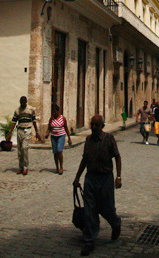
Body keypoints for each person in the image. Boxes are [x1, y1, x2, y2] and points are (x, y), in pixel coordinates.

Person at [73, 114, 122, 256]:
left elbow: (117, 157)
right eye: (92, 125)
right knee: (90, 210)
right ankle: (89, 240)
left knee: (106, 208)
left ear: (102, 126)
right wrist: (77, 177)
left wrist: (118, 177)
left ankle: (115, 223)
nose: (94, 127)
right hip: (90, 178)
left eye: (97, 125)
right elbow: (84, 159)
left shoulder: (109, 139)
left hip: (105, 179)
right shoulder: (88, 140)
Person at [6, 96, 41, 175]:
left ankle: (25, 167)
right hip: (20, 130)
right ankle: (20, 167)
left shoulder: (31, 110)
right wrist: (10, 133)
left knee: (24, 148)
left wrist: (37, 132)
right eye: (21, 103)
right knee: (19, 150)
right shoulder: (17, 111)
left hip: (27, 130)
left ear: (26, 102)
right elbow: (14, 122)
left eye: (23, 103)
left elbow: (34, 121)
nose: (22, 104)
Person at [46, 103, 72, 174]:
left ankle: (61, 166)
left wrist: (69, 138)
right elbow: (49, 128)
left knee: (59, 151)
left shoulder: (62, 118)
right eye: (53, 112)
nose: (54, 113)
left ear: (58, 111)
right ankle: (56, 167)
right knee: (55, 152)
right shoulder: (51, 119)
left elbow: (66, 128)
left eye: (55, 112)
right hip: (53, 136)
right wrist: (47, 133)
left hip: (61, 136)